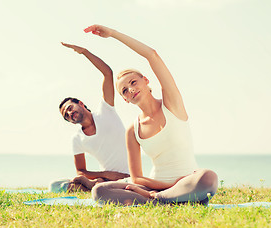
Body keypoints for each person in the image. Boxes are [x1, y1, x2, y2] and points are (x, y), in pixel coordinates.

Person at [84, 25, 218, 205]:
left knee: (208, 177)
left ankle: (158, 199)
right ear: (125, 99)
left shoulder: (172, 104)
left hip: (187, 182)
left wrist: (113, 34)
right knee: (100, 190)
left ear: (146, 81)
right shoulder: (133, 130)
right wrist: (162, 187)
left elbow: (152, 54)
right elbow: (137, 178)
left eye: (133, 82)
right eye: (125, 90)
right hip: (154, 186)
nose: (131, 89)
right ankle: (169, 199)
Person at [49, 42, 129, 193]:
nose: (70, 114)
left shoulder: (106, 110)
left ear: (80, 103)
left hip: (129, 176)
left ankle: (90, 185)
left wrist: (84, 52)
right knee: (53, 185)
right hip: (107, 179)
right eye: (67, 116)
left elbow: (107, 73)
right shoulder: (78, 139)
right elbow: (81, 171)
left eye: (70, 108)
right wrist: (107, 174)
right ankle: (94, 184)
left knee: (110, 187)